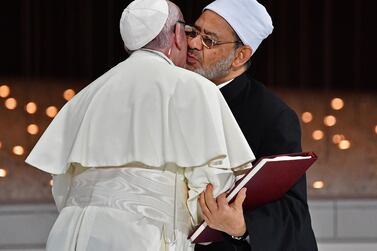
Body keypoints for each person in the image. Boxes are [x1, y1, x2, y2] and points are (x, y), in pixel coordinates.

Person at [25, 0, 255, 250]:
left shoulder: (86, 95)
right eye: (188, 32)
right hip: (143, 236)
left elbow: (62, 187)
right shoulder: (195, 88)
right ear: (177, 35)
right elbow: (210, 193)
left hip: (70, 236)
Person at [185, 0, 318, 250]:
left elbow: (293, 214)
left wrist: (241, 226)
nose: (192, 44)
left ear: (241, 55)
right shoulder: (172, 92)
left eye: (209, 40)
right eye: (193, 32)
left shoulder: (272, 117)